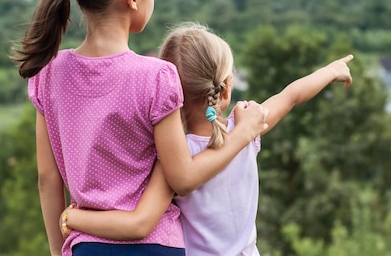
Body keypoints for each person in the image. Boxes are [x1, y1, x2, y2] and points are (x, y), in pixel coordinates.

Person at [10, 0, 269, 256]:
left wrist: (58, 250)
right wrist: (242, 134)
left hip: (86, 246)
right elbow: (184, 178)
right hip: (156, 246)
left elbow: (48, 179)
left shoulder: (49, 73)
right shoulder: (156, 77)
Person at [59, 22, 354, 255]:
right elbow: (290, 97)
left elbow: (139, 219)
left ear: (168, 95)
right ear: (225, 90)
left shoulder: (172, 158)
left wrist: (74, 219)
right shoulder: (247, 128)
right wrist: (331, 70)